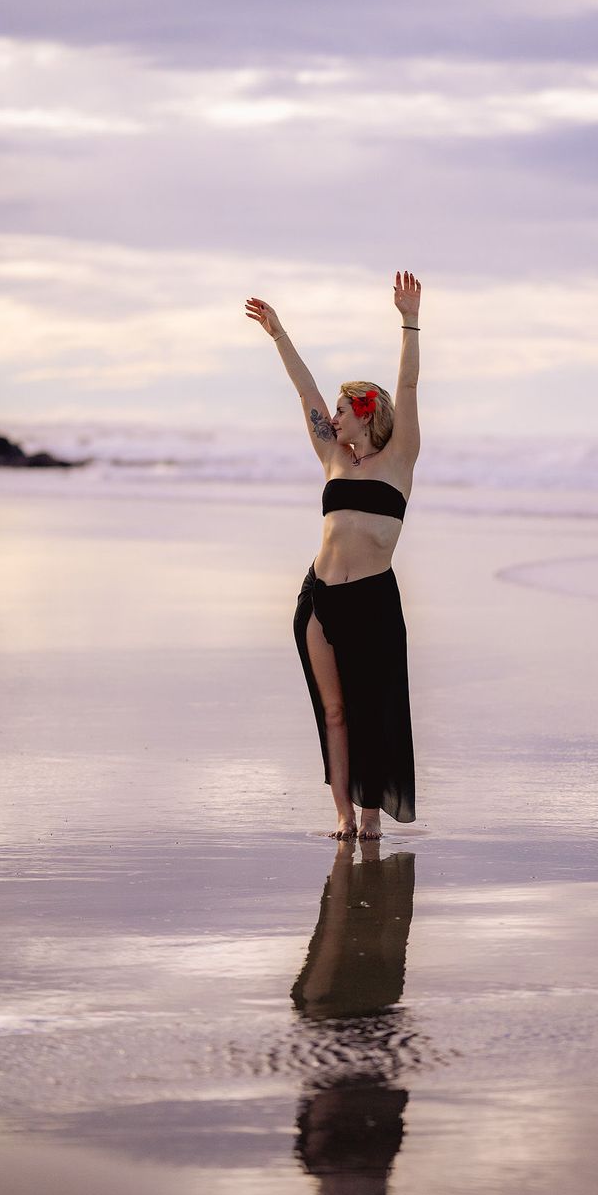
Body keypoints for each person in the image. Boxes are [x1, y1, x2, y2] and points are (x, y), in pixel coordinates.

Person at [245, 270, 422, 838]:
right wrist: (277, 334)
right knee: (336, 713)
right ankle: (344, 814)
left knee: (373, 712)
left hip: (373, 601)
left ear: (366, 413)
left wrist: (408, 321)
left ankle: (371, 817)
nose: (333, 417)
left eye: (344, 410)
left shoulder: (400, 460)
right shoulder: (333, 455)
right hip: (319, 598)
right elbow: (305, 390)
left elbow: (410, 387)